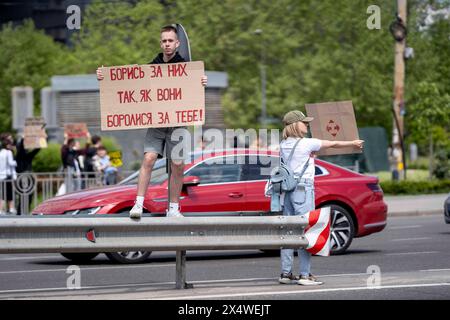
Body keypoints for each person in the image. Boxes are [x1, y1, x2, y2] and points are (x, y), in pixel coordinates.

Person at [97, 24, 207, 219]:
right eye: (164, 41)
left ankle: (173, 208)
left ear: (177, 43)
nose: (167, 44)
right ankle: (138, 204)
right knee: (148, 159)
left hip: (178, 125)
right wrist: (105, 78)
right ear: (160, 43)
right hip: (157, 124)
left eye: (170, 41)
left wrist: (201, 83)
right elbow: (129, 83)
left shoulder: (186, 68)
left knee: (178, 164)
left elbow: (192, 94)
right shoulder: (151, 67)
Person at [278, 110, 364, 286]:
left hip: (287, 190)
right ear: (295, 125)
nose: (307, 125)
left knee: (288, 232)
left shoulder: (284, 144)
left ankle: (286, 273)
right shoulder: (307, 143)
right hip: (303, 189)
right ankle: (305, 274)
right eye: (304, 122)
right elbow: (333, 143)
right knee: (306, 231)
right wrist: (353, 143)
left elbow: (294, 162)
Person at [15, 136, 41, 215]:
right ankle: (19, 212)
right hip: (21, 178)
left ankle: (26, 211)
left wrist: (41, 140)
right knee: (22, 196)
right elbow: (21, 149)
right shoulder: (19, 155)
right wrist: (23, 138)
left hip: (29, 178)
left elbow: (36, 150)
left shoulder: (28, 156)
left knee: (29, 196)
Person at [0, 136, 18, 215]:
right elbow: (11, 163)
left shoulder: (1, 152)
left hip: (1, 176)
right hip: (8, 176)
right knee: (10, 194)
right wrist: (16, 162)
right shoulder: (8, 152)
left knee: (2, 194)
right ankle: (11, 208)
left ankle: (1, 210)